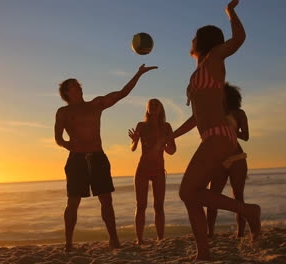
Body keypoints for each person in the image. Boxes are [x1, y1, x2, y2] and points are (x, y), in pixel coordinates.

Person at [171, 0, 261, 260]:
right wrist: (171, 135)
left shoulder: (213, 59)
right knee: (192, 194)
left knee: (188, 191)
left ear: (202, 42)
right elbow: (196, 117)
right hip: (212, 136)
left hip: (220, 136)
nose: (190, 40)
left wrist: (230, 12)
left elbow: (239, 38)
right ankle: (204, 254)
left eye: (194, 37)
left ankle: (248, 211)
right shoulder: (200, 70)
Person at [54, 64, 157, 251]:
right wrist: (65, 144)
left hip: (98, 157)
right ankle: (68, 243)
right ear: (67, 92)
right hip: (76, 159)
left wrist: (139, 73)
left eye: (79, 85)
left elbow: (122, 93)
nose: (79, 87)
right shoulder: (63, 112)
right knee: (73, 202)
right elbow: (58, 137)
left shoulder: (96, 104)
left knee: (106, 200)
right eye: (74, 86)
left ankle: (114, 239)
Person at [128, 99, 176, 244]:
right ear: (147, 109)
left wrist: (163, 145)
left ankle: (160, 238)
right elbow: (132, 148)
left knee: (159, 206)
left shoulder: (166, 127)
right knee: (141, 205)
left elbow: (172, 150)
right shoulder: (141, 126)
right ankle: (139, 239)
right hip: (142, 169)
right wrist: (135, 141)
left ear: (161, 109)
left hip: (159, 170)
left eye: (157, 105)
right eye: (151, 105)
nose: (154, 107)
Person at [206, 82, 249, 238]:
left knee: (238, 197)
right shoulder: (213, 112)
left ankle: (240, 233)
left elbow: (246, 136)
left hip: (236, 157)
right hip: (218, 158)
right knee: (212, 196)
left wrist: (228, 131)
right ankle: (209, 232)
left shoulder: (239, 113)